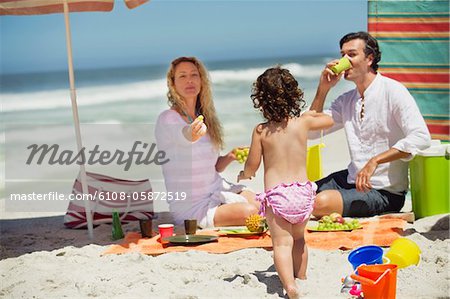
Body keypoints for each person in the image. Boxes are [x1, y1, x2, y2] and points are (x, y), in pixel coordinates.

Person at [310, 31, 431, 218]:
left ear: (369, 59)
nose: (344, 60)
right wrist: (323, 89)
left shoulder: (393, 91)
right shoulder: (346, 101)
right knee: (301, 194)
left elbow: (421, 137)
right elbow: (311, 130)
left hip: (384, 192)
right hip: (351, 179)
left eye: (351, 54)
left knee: (321, 203)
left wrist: (375, 160)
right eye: (342, 55)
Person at [238, 67, 334, 298]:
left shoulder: (261, 131)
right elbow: (329, 120)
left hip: (279, 197)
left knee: (281, 244)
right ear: (294, 95)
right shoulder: (302, 124)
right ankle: (301, 276)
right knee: (300, 239)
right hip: (303, 194)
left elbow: (252, 165)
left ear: (261, 101)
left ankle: (290, 287)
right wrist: (313, 111)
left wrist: (244, 175)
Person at [155, 56, 259, 229]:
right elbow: (183, 135)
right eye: (182, 76)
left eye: (194, 75)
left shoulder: (205, 118)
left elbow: (214, 167)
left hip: (217, 188)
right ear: (172, 84)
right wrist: (191, 133)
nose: (189, 80)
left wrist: (231, 156)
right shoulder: (168, 119)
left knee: (260, 202)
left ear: (201, 80)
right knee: (251, 212)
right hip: (192, 204)